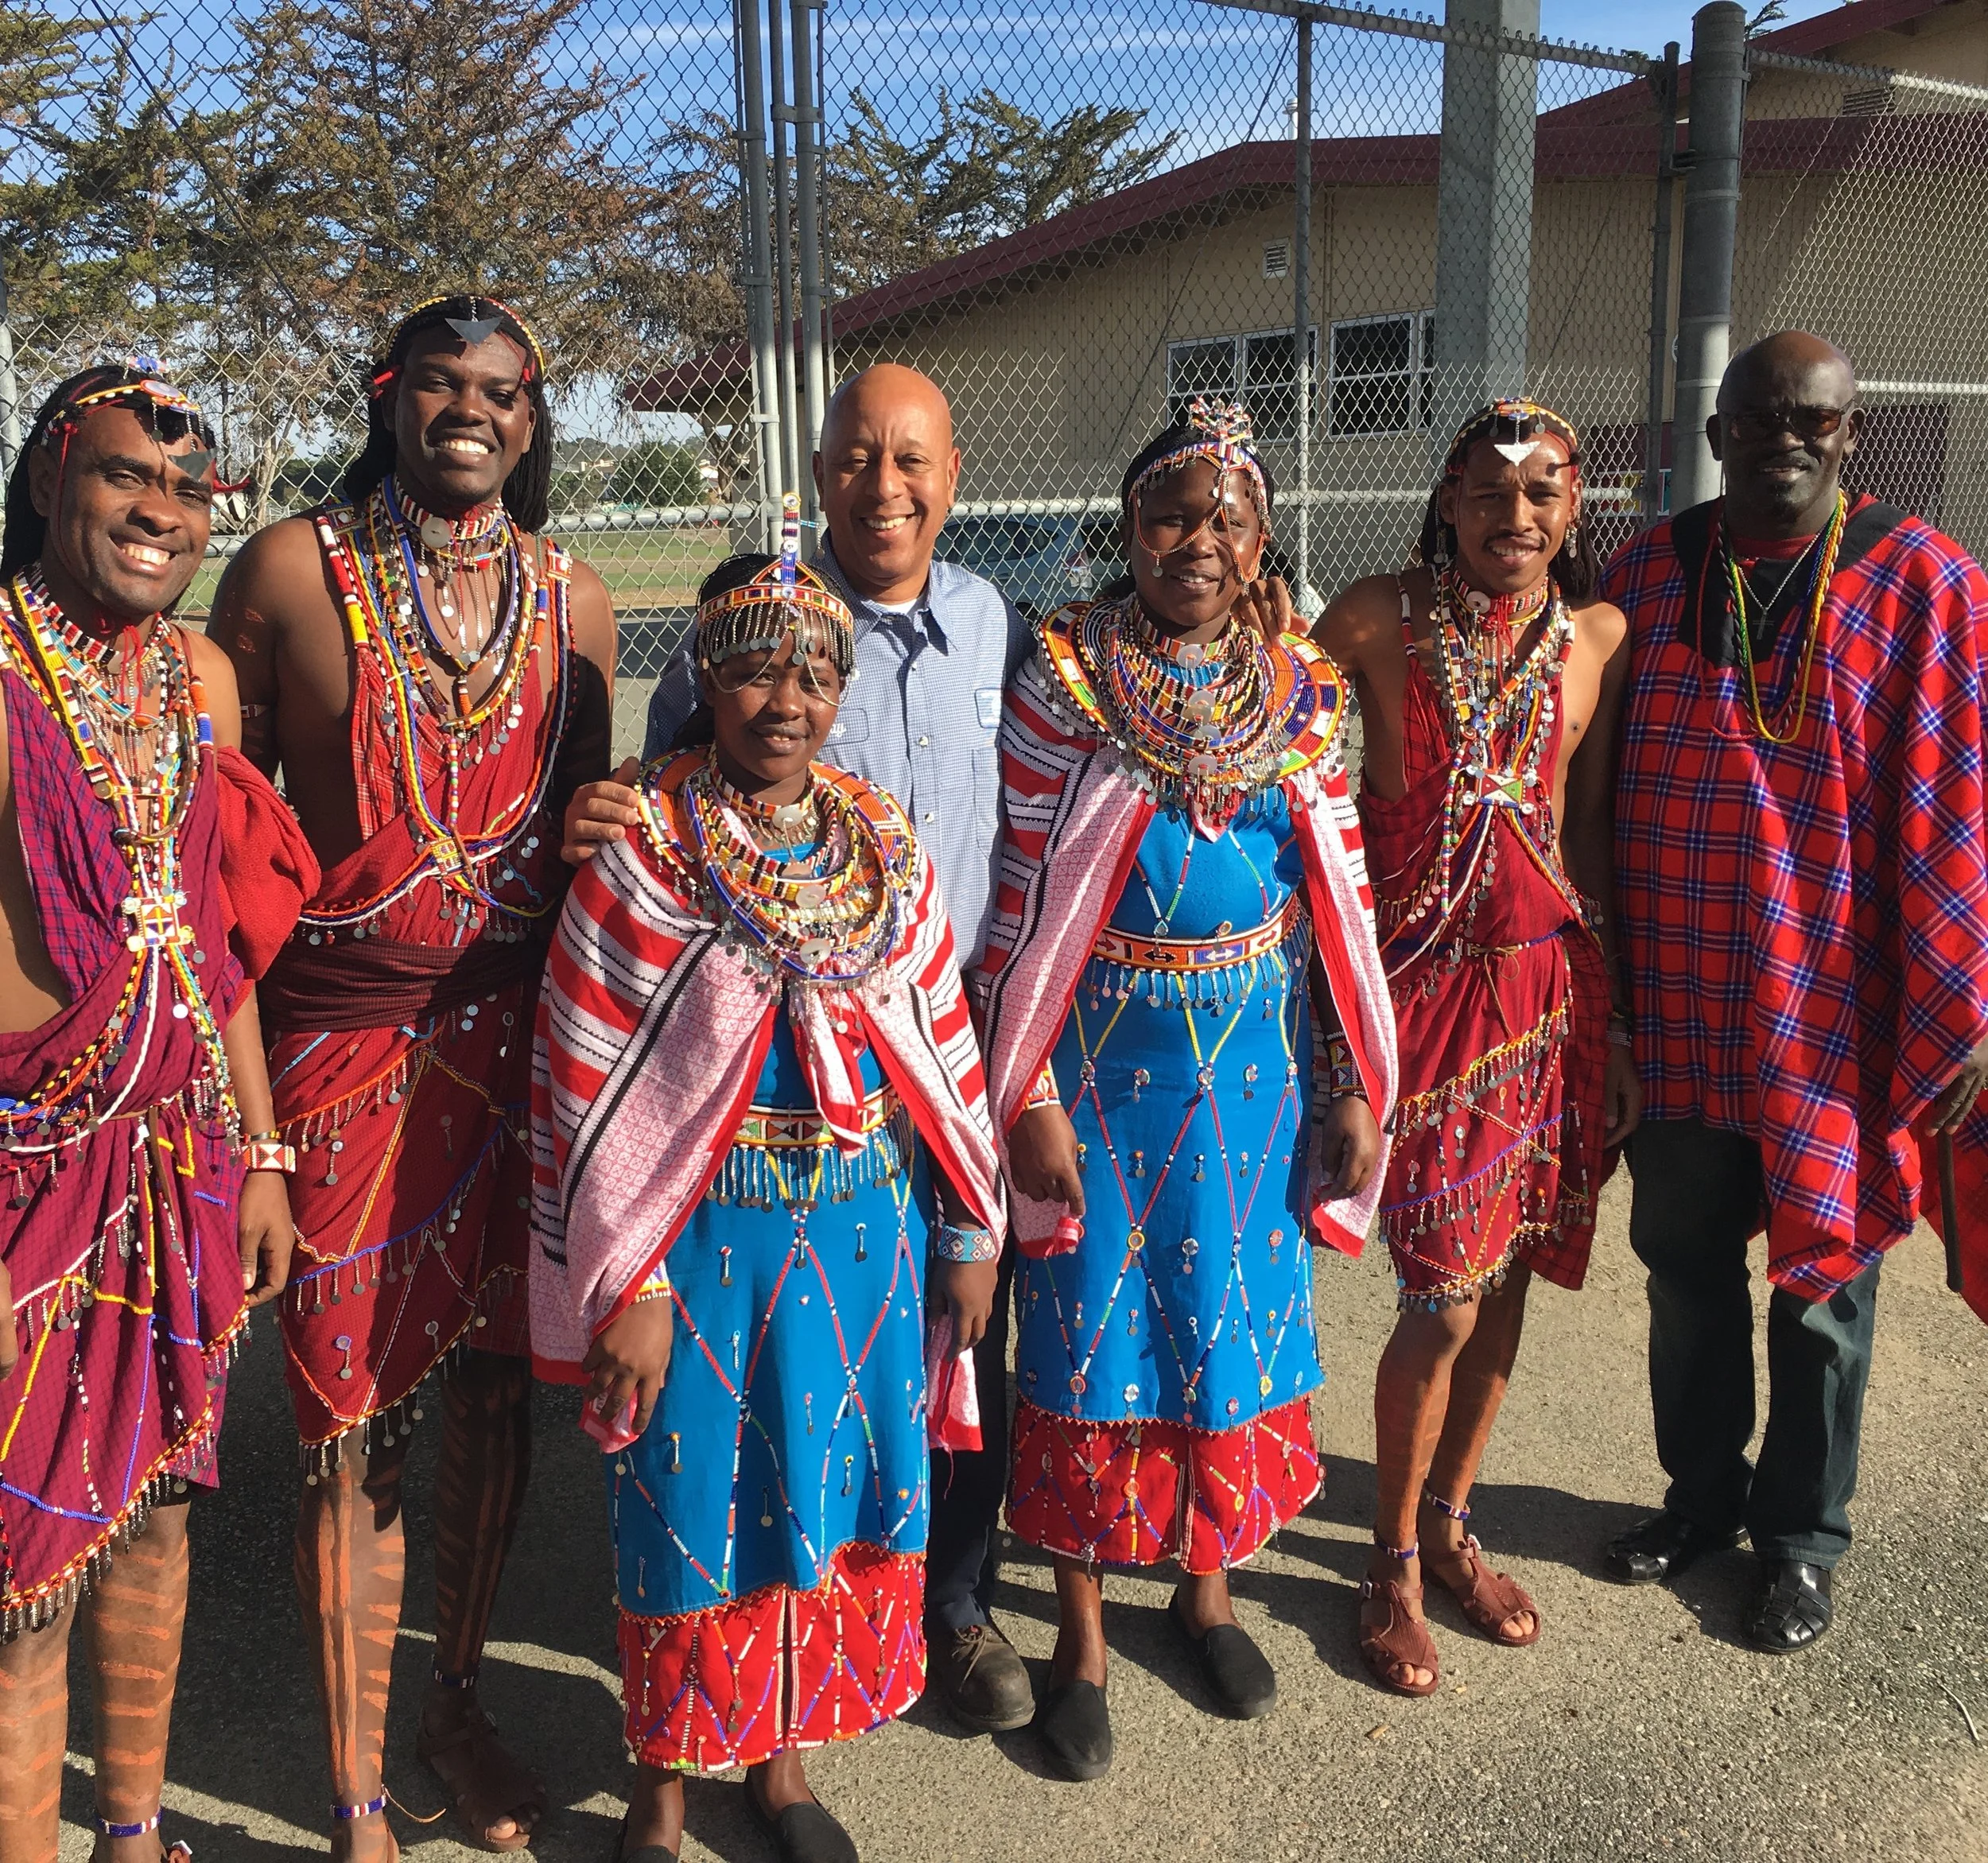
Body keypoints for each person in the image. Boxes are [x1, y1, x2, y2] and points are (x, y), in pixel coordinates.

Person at [561, 363, 1041, 1733]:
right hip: (723, 1159)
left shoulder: (988, 621)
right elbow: (649, 922)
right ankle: (683, 1740)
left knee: (922, 1385)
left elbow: (1011, 859)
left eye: (912, 460)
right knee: (710, 1448)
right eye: (855, 457)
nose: (882, 485)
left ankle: (948, 1613)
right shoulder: (708, 722)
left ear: (951, 476)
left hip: (923, 1095)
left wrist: (985, 1152)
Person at [208, 296, 616, 1855]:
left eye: (501, 392)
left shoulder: (573, 599)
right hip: (334, 1050)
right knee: (348, 1425)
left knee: (500, 1386)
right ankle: (356, 1780)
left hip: (516, 1050)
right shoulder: (290, 576)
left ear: (531, 419)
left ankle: (453, 1692)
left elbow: (588, 854)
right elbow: (218, 856)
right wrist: (244, 1123)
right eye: (439, 384)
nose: (470, 411)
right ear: (389, 398)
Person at [531, 549, 1006, 1863]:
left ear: (839, 688)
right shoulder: (643, 852)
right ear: (706, 680)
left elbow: (939, 1033)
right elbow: (580, 1072)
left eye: (810, 670)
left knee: (816, 1493)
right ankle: (664, 1790)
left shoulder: (881, 845)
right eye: (750, 668)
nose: (782, 698)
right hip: (698, 1248)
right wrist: (624, 1279)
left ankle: (779, 1766)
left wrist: (967, 1227)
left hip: (863, 1236)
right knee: (687, 1512)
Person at [977, 402, 1396, 1779]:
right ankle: (1083, 1637)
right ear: (1128, 529)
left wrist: (1345, 1081)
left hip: (1253, 1083)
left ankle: (1206, 1587)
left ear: (1262, 537)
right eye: (1171, 515)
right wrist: (1027, 1089)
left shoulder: (1308, 694)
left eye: (1227, 519)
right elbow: (1016, 906)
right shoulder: (1062, 682)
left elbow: (1337, 907)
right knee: (1098, 1336)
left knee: (1221, 1328)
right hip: (1098, 1067)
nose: (1198, 542)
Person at [1602, 330, 1988, 1651]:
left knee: (1824, 1284)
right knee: (1684, 1270)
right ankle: (1700, 1499)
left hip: (1832, 1009)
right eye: (1757, 417)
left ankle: (1803, 1539)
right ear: (1714, 434)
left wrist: (1962, 997)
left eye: (1811, 420)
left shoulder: (1926, 582)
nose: (1784, 438)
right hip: (1680, 995)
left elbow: (1955, 808)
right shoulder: (1647, 572)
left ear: (1852, 433)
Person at [0, 363, 313, 1861]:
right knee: (20, 1581)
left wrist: (260, 1147)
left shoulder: (192, 680)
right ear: (56, 475)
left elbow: (217, 935)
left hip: (177, 1159)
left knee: (157, 1518)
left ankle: (133, 1836)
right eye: (130, 476)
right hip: (27, 1183)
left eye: (191, 491)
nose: (163, 512)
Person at [1313, 398, 1638, 1696]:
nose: (1517, 518)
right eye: (1491, 494)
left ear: (1572, 511)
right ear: (1448, 501)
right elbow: (1251, 711)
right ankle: (1387, 1561)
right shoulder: (1375, 620)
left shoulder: (1595, 638)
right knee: (1441, 1298)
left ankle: (1451, 1523)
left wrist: (1608, 1027)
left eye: (1543, 495)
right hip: (1423, 1002)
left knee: (1509, 1283)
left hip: (1549, 1001)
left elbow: (1589, 823)